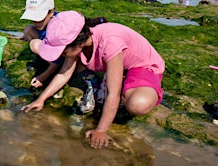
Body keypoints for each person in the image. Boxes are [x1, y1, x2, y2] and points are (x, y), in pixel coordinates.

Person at [22, 11, 165, 149]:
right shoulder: (79, 41)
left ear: (76, 42)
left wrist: (101, 130)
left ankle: (136, 84)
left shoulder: (110, 43)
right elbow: (64, 73)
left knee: (137, 104)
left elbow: (113, 93)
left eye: (63, 51)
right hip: (115, 62)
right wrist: (41, 99)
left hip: (141, 66)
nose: (62, 55)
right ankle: (112, 79)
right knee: (77, 65)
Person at [20, 0, 94, 103]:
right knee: (28, 30)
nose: (35, 22)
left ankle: (50, 68)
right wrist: (26, 36)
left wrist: (43, 76)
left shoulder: (58, 30)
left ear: (51, 12)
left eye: (39, 18)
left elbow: (59, 59)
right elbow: (32, 30)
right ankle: (43, 58)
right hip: (53, 47)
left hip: (65, 54)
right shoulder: (50, 19)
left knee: (34, 44)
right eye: (33, 18)